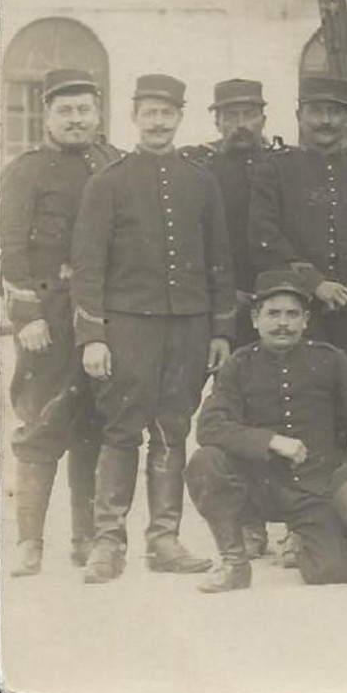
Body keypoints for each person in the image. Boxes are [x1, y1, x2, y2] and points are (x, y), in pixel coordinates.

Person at [71, 73, 234, 582]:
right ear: (135, 116)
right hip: (128, 325)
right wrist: (93, 335)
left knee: (172, 427)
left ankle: (163, 539)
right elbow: (88, 264)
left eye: (168, 113)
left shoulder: (200, 181)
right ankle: (107, 542)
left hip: (187, 325)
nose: (159, 122)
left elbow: (219, 260)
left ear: (180, 117)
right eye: (150, 113)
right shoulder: (108, 182)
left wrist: (221, 329)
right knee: (121, 429)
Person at [185, 271, 347, 592]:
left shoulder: (330, 360)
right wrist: (271, 441)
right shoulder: (239, 364)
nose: (283, 323)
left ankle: (306, 541)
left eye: (292, 314)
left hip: (315, 488)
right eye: (273, 314)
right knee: (206, 461)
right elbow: (209, 426)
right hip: (259, 485)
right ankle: (233, 563)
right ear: (255, 319)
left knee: (332, 570)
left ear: (305, 320)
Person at [0, 69, 119, 576]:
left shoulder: (112, 163)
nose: (76, 120)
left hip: (100, 318)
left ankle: (84, 538)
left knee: (94, 422)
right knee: (43, 423)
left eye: (84, 110)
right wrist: (25, 314)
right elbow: (9, 244)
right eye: (65, 111)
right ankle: (30, 542)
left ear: (98, 114)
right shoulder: (27, 169)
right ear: (47, 116)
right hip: (47, 321)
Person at [249, 75, 347, 393]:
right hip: (299, 313)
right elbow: (264, 235)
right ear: (298, 116)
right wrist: (315, 284)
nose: (325, 121)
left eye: (334, 112)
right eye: (316, 111)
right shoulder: (274, 171)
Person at [181, 78, 288, 339]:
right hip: (219, 298)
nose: (240, 125)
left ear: (263, 119)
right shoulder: (198, 167)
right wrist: (222, 291)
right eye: (230, 116)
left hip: (281, 298)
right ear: (217, 122)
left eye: (249, 115)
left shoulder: (285, 164)